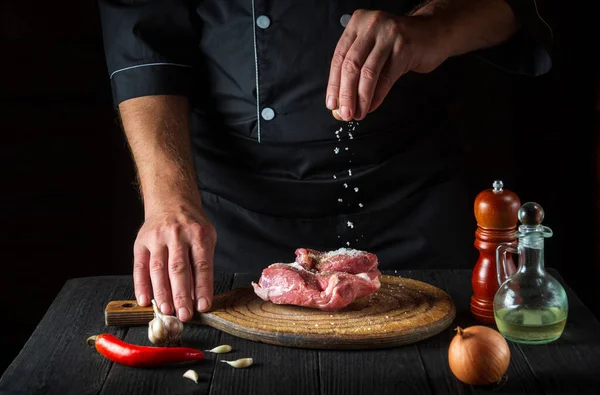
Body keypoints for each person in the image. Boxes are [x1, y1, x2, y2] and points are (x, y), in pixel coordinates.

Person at [97, 0, 553, 322]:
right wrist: (168, 200)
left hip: (408, 198)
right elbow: (142, 38)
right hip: (229, 215)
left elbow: (521, 6)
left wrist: (436, 24)